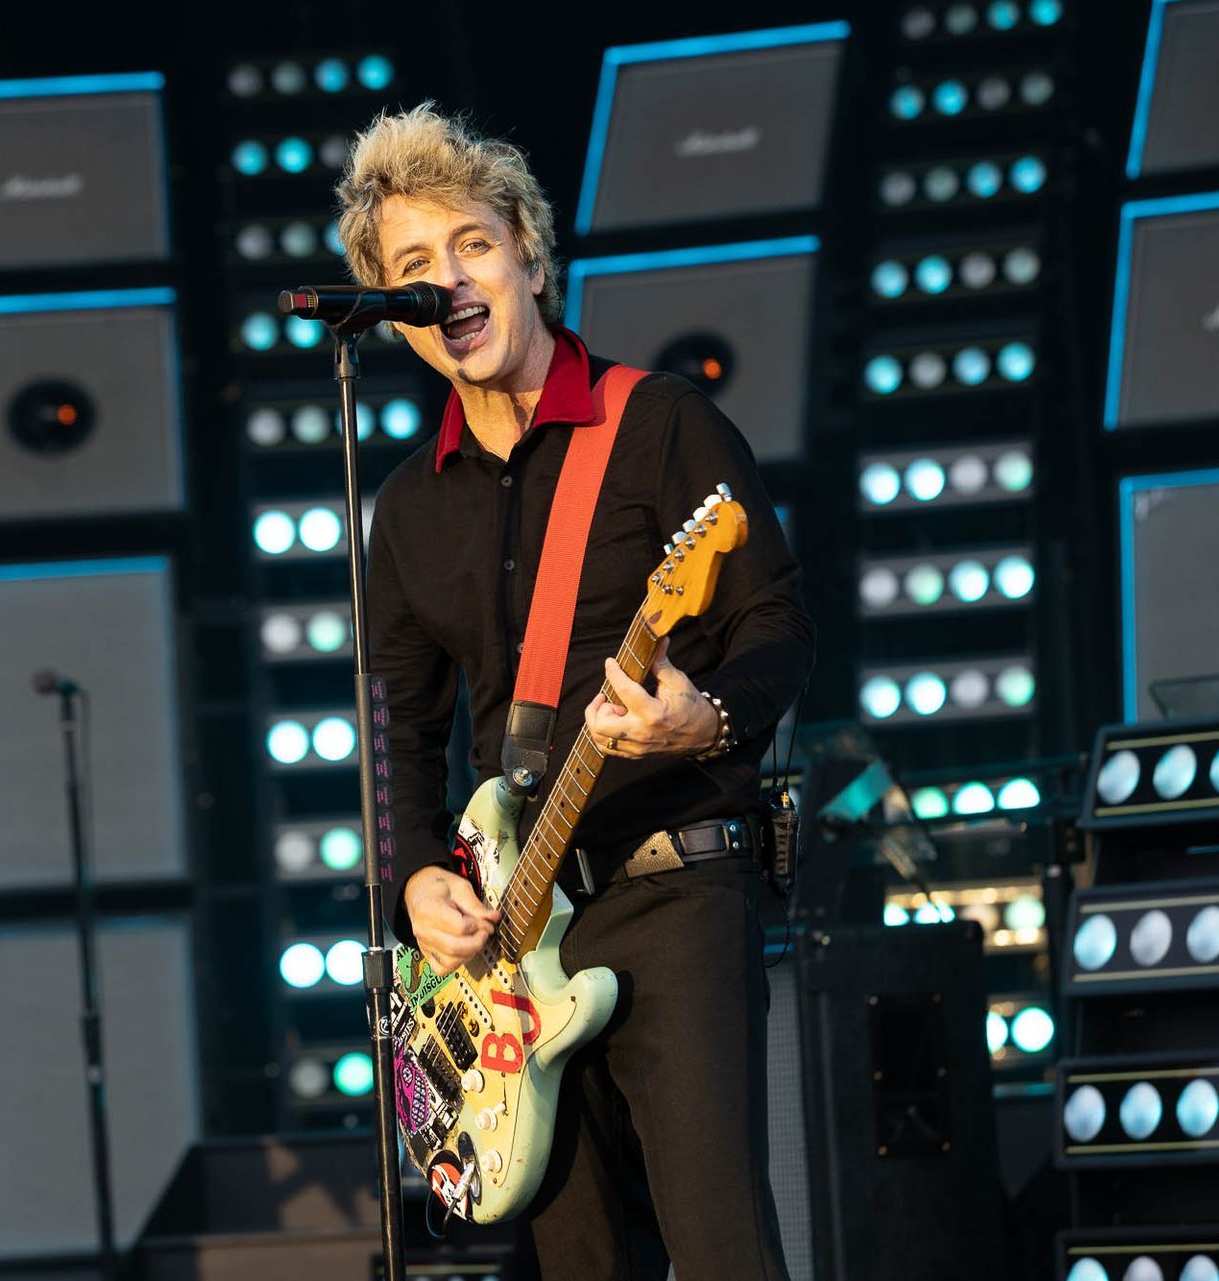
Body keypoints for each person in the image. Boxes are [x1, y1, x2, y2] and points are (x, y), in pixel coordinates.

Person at [336, 102, 813, 1279]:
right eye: (414, 266)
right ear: (391, 311)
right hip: (511, 940)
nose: (449, 281)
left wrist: (705, 717)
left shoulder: (658, 427)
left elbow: (779, 629)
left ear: (532, 260)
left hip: (673, 888)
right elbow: (397, 730)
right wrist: (414, 880)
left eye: (473, 245)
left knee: (720, 1250)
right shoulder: (408, 508)